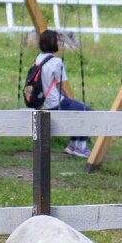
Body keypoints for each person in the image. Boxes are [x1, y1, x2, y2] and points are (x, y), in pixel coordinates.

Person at [35, 29, 92, 157]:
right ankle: (80, 147)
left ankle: (73, 145)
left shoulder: (38, 59)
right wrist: (69, 98)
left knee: (74, 107)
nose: (60, 42)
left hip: (40, 102)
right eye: (58, 40)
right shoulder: (56, 62)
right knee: (85, 109)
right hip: (53, 103)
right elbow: (61, 86)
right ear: (52, 43)